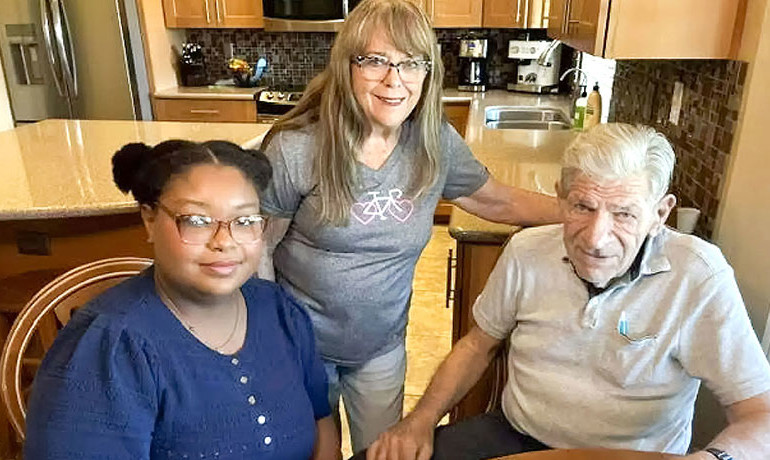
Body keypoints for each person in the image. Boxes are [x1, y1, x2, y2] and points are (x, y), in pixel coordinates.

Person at [257, 0, 561, 453]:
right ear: (347, 66)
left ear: (427, 71)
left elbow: (493, 199)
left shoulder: (433, 140)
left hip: (380, 348)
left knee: (381, 452)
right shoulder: (297, 148)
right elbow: (258, 248)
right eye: (375, 61)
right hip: (300, 348)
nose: (393, 80)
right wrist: (269, 341)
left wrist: (581, 211)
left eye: (410, 63)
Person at [365, 123, 770, 460]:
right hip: (515, 439)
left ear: (659, 214)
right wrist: (418, 421)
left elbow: (760, 414)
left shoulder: (698, 276)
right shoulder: (526, 251)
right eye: (582, 207)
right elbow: (477, 346)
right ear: (559, 198)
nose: (596, 237)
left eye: (624, 214)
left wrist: (713, 459)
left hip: (632, 455)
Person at [24, 140, 338, 459]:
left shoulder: (279, 310)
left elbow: (321, 420)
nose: (224, 242)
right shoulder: (111, 348)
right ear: (149, 219)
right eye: (197, 221)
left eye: (244, 221)